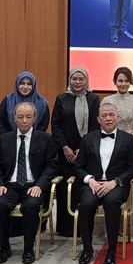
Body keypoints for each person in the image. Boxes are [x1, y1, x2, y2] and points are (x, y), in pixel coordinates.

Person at [0, 102, 59, 264]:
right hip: (10, 185)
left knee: (31, 206)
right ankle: (4, 247)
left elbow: (52, 166)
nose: (24, 120)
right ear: (14, 119)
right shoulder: (4, 139)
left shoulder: (46, 139)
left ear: (34, 118)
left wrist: (40, 186)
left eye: (28, 117)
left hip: (32, 185)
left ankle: (28, 248)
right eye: (20, 117)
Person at [75, 102, 133, 264]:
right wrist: (90, 180)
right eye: (104, 115)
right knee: (86, 204)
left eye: (111, 115)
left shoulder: (129, 139)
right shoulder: (88, 139)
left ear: (118, 118)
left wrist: (115, 182)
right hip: (93, 184)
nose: (108, 118)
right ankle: (87, 248)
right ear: (98, 119)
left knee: (112, 202)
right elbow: (78, 167)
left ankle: (111, 250)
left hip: (115, 184)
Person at [51, 67, 101, 237]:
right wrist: (64, 147)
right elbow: (55, 125)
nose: (77, 82)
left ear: (86, 80)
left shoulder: (93, 99)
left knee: (83, 189)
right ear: (69, 80)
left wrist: (84, 148)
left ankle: (83, 229)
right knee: (65, 191)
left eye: (81, 79)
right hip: (65, 154)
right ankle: (65, 229)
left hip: (86, 152)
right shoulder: (61, 99)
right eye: (74, 79)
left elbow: (96, 126)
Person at [102, 66, 133, 236]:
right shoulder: (107, 100)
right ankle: (112, 220)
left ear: (131, 82)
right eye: (120, 80)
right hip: (109, 144)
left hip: (131, 143)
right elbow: (104, 122)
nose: (123, 84)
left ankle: (130, 223)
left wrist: (126, 142)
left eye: (126, 80)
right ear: (115, 82)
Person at [0, 71, 50, 136]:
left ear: (33, 85)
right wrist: (8, 138)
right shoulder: (8, 100)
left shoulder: (42, 103)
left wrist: (33, 139)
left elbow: (43, 125)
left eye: (29, 84)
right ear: (17, 84)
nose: (25, 87)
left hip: (35, 141)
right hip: (10, 140)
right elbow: (1, 122)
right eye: (22, 83)